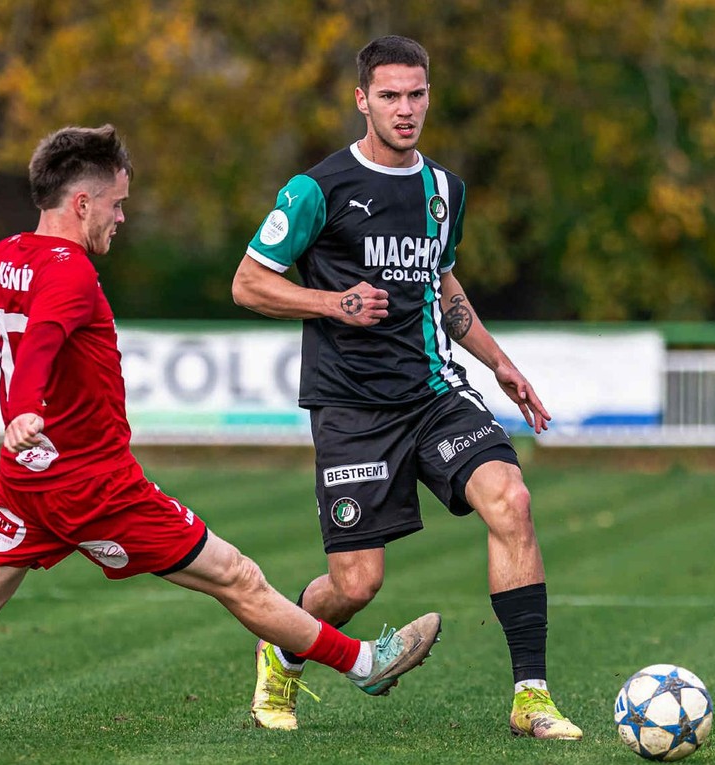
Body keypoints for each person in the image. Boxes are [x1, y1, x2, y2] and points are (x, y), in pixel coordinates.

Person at [0, 125, 442, 742]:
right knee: (236, 575)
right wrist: (23, 407)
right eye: (116, 203)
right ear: (81, 204)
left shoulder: (9, 257)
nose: (122, 215)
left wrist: (6, 294)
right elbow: (44, 340)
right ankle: (364, 664)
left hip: (26, 485)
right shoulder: (73, 273)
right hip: (96, 485)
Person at [232, 36, 580, 740]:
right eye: (389, 95)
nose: (405, 108)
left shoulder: (444, 190)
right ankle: (285, 648)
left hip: (433, 393)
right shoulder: (316, 190)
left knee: (511, 500)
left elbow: (442, 284)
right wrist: (334, 303)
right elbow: (248, 282)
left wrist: (497, 361)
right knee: (356, 584)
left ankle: (531, 696)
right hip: (352, 408)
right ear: (362, 99)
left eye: (416, 94)